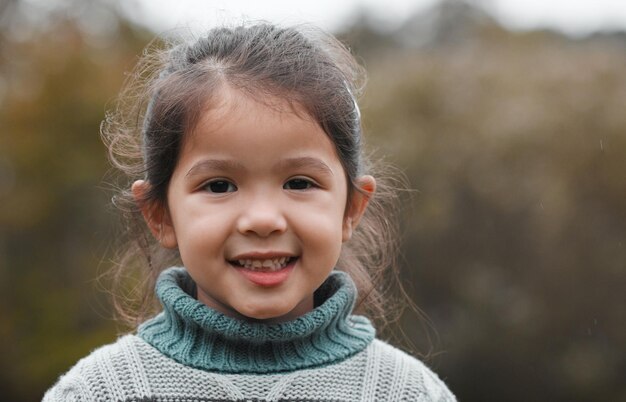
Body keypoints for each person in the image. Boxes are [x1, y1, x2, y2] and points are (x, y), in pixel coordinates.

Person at [43, 22, 455, 401]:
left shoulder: (406, 392)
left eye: (299, 183)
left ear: (350, 208)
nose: (262, 220)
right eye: (219, 186)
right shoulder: (100, 391)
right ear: (161, 215)